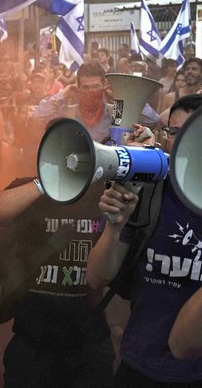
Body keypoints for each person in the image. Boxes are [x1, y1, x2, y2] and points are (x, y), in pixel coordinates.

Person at [87, 94, 202, 386]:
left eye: (191, 134)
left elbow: (184, 345)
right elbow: (97, 277)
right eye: (173, 132)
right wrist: (115, 227)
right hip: (140, 365)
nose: (179, 142)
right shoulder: (148, 192)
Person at [0, 155, 115, 387]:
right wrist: (45, 183)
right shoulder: (32, 188)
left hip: (88, 346)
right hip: (33, 343)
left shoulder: (101, 192)